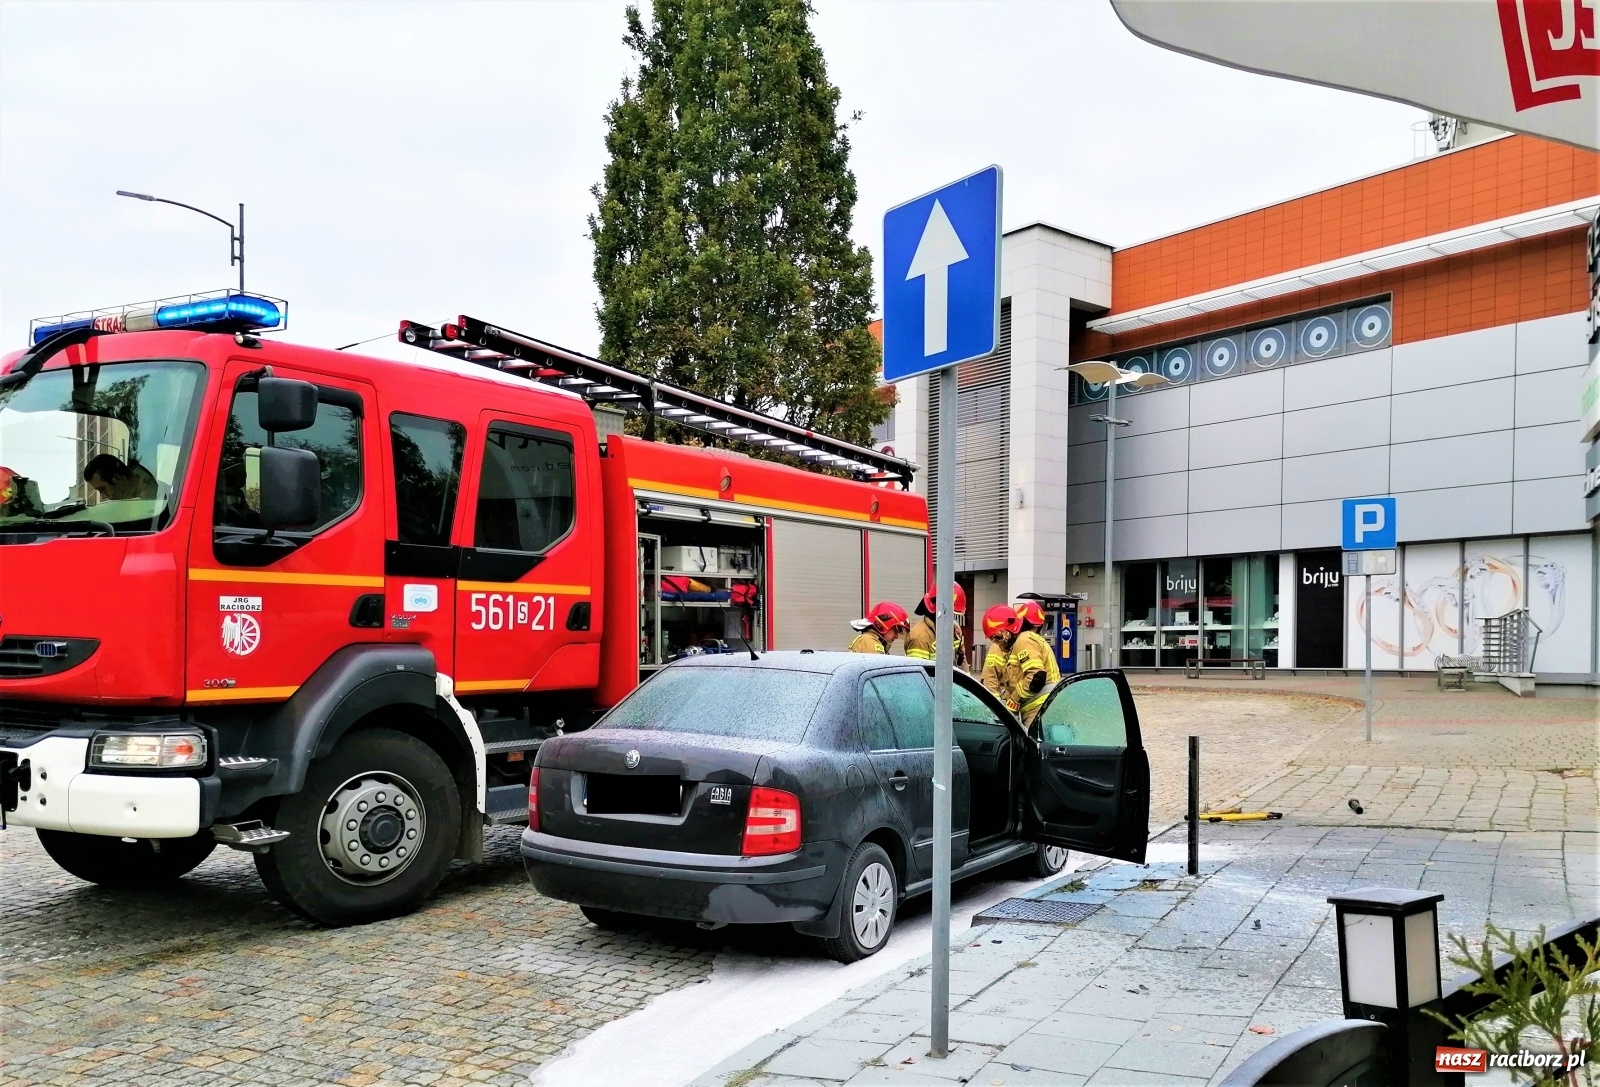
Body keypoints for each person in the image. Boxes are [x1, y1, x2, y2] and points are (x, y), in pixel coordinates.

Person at [1013, 599, 1062, 728]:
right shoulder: (1038, 640)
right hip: (1050, 705)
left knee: (1033, 746)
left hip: (1036, 709)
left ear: (1021, 620)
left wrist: (1014, 698)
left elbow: (1036, 677)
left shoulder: (1024, 639)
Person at [905, 583, 967, 669]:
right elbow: (918, 675)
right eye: (948, 613)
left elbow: (963, 663)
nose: (950, 618)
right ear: (936, 610)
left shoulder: (955, 630)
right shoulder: (919, 637)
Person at [979, 604, 1021, 708]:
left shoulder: (1025, 643)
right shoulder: (995, 649)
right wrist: (996, 709)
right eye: (993, 639)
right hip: (1013, 706)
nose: (997, 643)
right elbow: (989, 680)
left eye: (998, 637)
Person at [83, 454, 158, 502]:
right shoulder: (126, 497)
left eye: (103, 489)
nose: (103, 496)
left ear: (118, 478)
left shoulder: (148, 495)